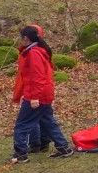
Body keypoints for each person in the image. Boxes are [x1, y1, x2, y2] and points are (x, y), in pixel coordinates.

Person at [8, 25, 74, 164]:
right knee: (48, 122)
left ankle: (20, 154)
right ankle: (64, 147)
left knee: (22, 125)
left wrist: (33, 97)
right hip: (44, 93)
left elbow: (37, 77)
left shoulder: (33, 53)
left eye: (20, 38)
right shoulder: (40, 51)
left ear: (25, 38)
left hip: (38, 95)